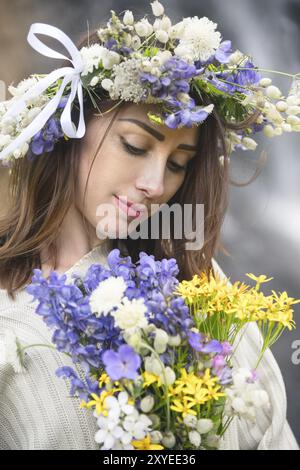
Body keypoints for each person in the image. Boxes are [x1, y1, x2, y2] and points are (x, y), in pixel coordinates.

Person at [0, 1, 299, 450]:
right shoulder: (10, 321)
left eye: (179, 164)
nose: (156, 185)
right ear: (70, 131)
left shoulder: (196, 286)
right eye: (136, 145)